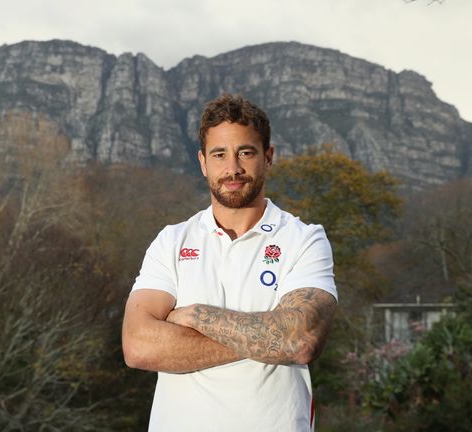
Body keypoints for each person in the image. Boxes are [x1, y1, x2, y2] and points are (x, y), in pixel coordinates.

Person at [122, 93, 338, 432]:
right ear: (203, 161)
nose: (232, 168)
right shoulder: (171, 240)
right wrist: (269, 337)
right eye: (219, 154)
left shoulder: (304, 238)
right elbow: (137, 346)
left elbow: (300, 340)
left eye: (246, 153)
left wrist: (193, 316)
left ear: (268, 157)